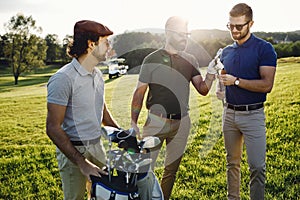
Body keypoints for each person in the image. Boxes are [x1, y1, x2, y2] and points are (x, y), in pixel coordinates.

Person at [131, 16, 219, 200]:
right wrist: (133, 122)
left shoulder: (190, 60)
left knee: (170, 171)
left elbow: (202, 89)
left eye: (186, 35)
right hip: (155, 122)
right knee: (144, 170)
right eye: (181, 35)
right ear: (168, 33)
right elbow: (139, 93)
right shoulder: (151, 59)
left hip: (182, 123)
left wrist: (210, 73)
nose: (185, 39)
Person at [46, 20, 120, 199]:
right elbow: (53, 128)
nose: (109, 46)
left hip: (98, 147)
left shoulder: (98, 75)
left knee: (103, 196)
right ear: (91, 44)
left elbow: (102, 112)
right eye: (105, 42)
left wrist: (124, 136)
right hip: (74, 152)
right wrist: (82, 163)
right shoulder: (63, 79)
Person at [217, 3, 277, 200]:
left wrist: (235, 81)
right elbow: (223, 77)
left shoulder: (264, 49)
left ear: (251, 23)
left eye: (239, 26)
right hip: (229, 114)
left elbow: (266, 85)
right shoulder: (226, 52)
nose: (234, 30)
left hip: (253, 115)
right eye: (230, 26)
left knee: (257, 167)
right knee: (232, 163)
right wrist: (222, 88)